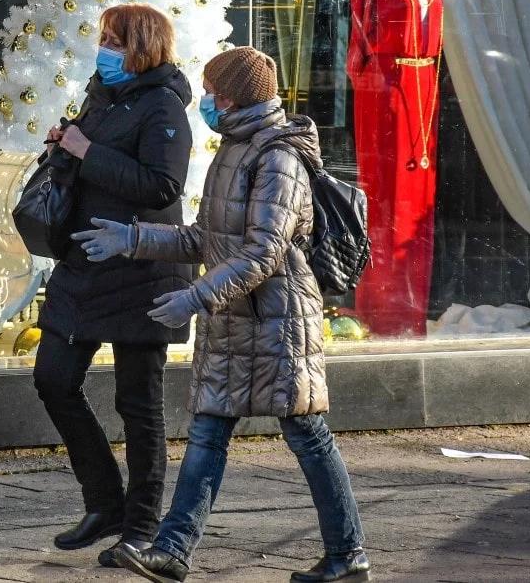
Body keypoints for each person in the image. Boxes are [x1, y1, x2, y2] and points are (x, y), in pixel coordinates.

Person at [72, 46, 370, 583]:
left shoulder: (278, 157)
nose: (204, 99)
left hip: (278, 323)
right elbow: (206, 238)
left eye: (210, 91)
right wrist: (133, 238)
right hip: (236, 320)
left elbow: (263, 252)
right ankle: (173, 552)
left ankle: (347, 555)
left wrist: (196, 296)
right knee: (209, 433)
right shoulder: (235, 149)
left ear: (230, 96)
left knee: (307, 435)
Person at [33, 3, 195, 568]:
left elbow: (162, 186)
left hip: (142, 268)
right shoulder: (101, 95)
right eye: (102, 38)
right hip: (85, 261)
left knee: (138, 403)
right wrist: (64, 149)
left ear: (141, 47)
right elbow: (86, 162)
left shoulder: (164, 106)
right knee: (53, 377)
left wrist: (88, 152)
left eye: (112, 40)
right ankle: (104, 502)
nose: (102, 48)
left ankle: (143, 526)